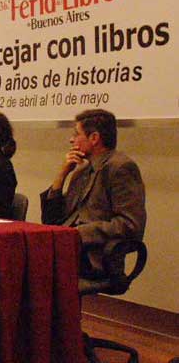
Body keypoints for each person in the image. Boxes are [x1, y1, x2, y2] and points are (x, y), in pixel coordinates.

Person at [40, 109, 146, 278]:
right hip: (68, 247)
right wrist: (61, 175)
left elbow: (130, 225)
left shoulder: (121, 167)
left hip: (96, 256)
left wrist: (78, 234)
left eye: (76, 134)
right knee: (21, 255)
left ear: (94, 138)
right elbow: (51, 220)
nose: (71, 139)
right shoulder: (82, 170)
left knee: (31, 266)